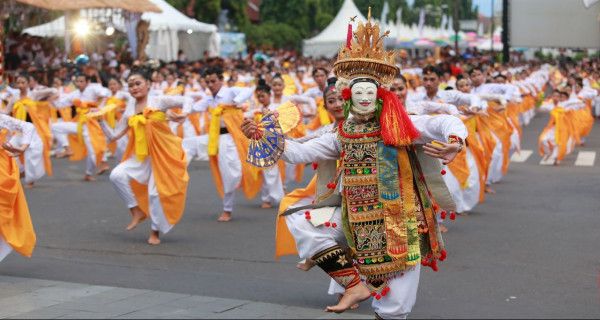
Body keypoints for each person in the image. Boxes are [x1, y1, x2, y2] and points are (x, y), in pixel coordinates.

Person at [242, 17, 467, 318]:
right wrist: (265, 136)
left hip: (401, 224)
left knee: (395, 307)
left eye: (369, 93)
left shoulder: (402, 126)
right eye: (357, 93)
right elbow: (299, 151)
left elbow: (444, 122)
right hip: (354, 220)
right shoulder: (342, 134)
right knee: (302, 222)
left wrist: (456, 139)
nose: (363, 98)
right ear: (349, 97)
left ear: (379, 97)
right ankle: (353, 284)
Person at [105, 69, 191, 245]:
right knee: (116, 175)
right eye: (130, 85)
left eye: (138, 83)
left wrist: (185, 113)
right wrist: (99, 120)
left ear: (148, 84)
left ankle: (154, 232)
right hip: (142, 156)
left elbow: (187, 100)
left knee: (155, 194)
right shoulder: (130, 108)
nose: (134, 88)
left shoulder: (159, 101)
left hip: (163, 154)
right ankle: (136, 210)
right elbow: (114, 136)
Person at [177, 67, 258, 222]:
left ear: (221, 80)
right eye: (207, 82)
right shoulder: (209, 99)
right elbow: (194, 108)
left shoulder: (229, 92)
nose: (210, 84)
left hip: (229, 138)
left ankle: (228, 207)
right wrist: (183, 114)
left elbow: (247, 90)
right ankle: (178, 173)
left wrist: (236, 102)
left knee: (231, 175)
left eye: (213, 81)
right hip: (214, 138)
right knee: (187, 143)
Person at [51, 73, 111, 181]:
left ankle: (89, 174)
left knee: (93, 153)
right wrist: (52, 99)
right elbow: (59, 105)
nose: (79, 83)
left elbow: (106, 93)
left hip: (91, 126)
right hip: (79, 125)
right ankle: (67, 148)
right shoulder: (74, 94)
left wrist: (100, 108)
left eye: (81, 81)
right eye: (77, 81)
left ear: (87, 82)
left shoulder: (93, 89)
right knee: (55, 127)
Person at [0, 114, 37, 262]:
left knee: (3, 212)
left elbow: (28, 126)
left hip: (2, 168)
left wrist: (22, 147)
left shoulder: (1, 119)